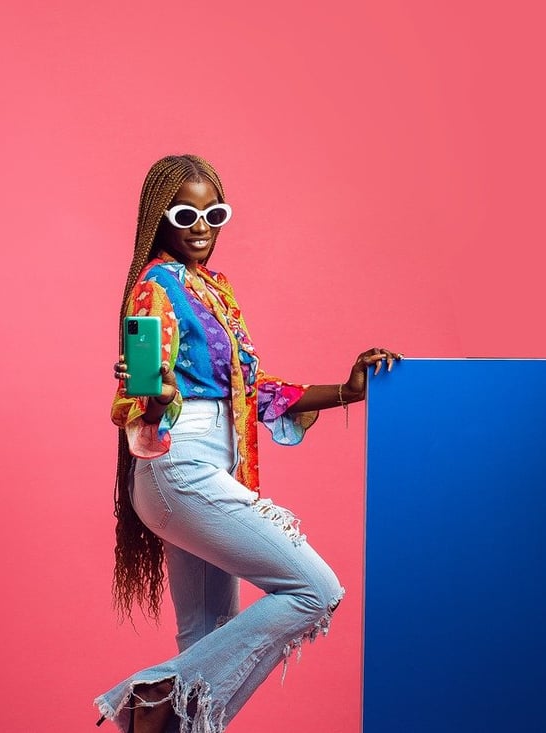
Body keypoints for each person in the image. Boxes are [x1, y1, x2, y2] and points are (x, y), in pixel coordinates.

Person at [95, 154, 401, 733]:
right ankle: (154, 696)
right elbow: (141, 398)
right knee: (314, 589)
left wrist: (348, 391)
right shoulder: (158, 286)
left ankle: (173, 714)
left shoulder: (212, 289)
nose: (201, 226)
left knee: (207, 637)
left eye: (214, 214)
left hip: (209, 464)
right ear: (160, 218)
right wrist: (156, 398)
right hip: (180, 464)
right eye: (185, 214)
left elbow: (251, 392)